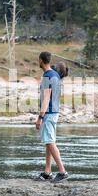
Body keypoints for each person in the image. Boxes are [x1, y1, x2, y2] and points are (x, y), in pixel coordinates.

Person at [36, 52, 69, 182]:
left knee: (50, 141)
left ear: (40, 61)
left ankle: (62, 171)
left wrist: (40, 117)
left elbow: (46, 98)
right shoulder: (55, 75)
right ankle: (47, 172)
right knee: (49, 142)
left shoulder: (47, 76)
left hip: (48, 113)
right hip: (54, 112)